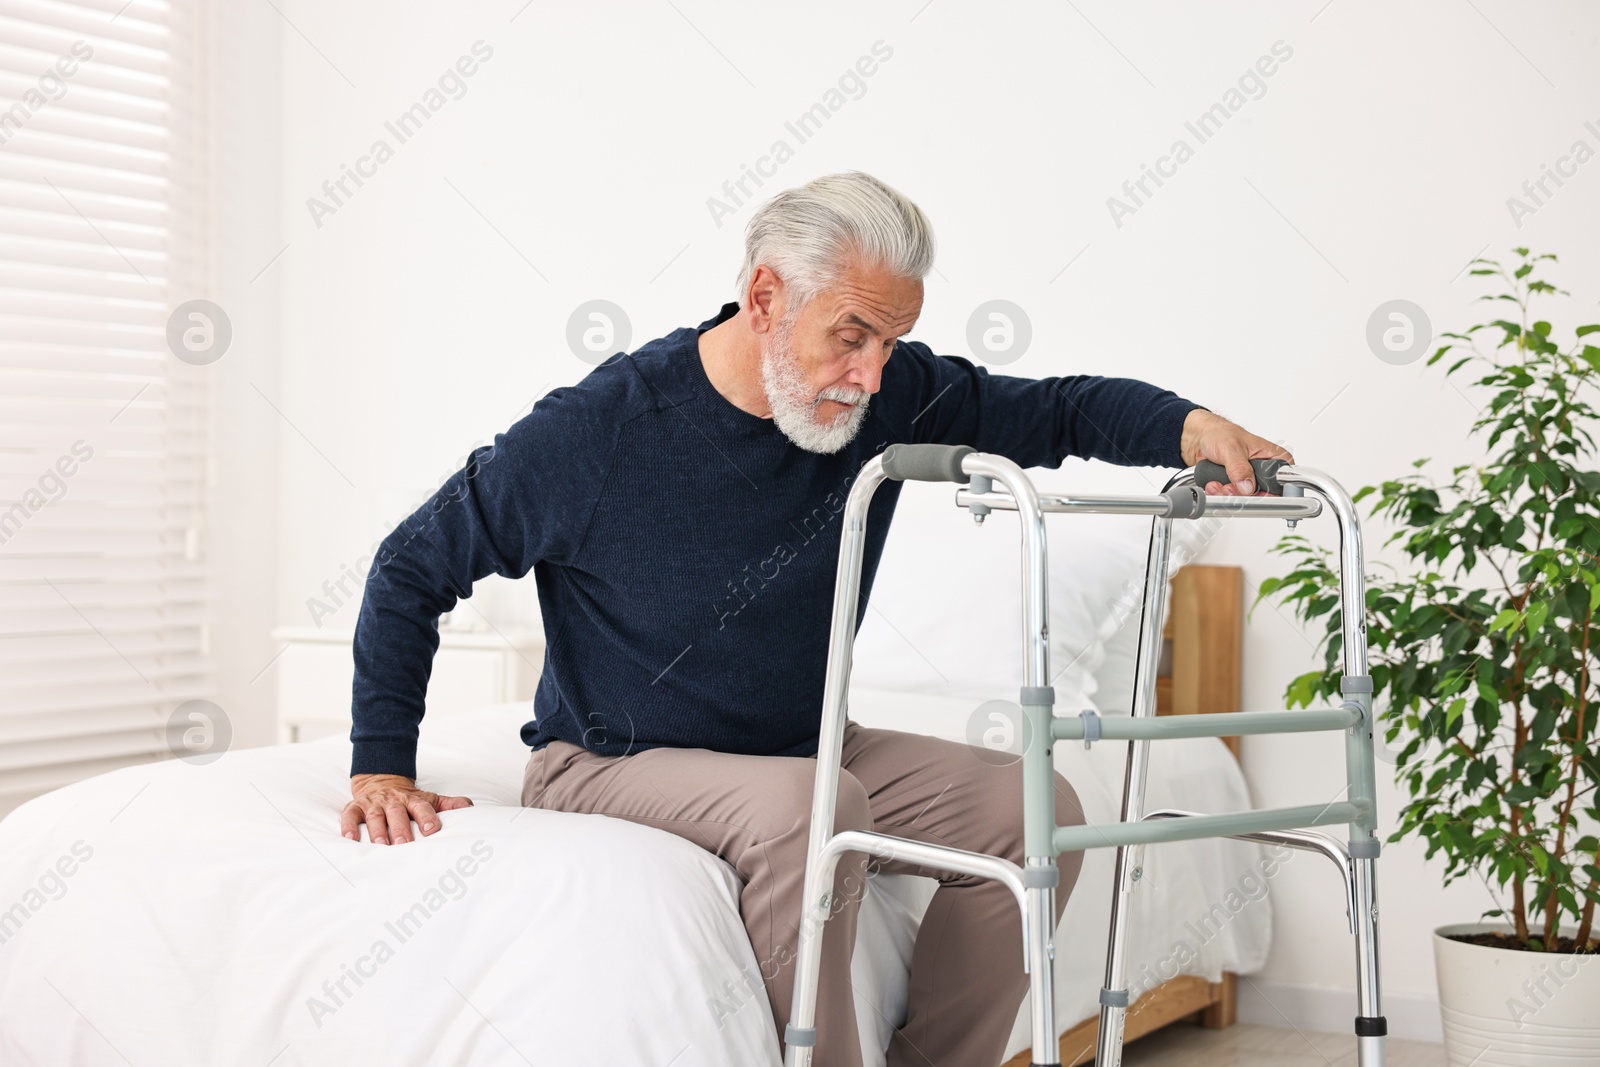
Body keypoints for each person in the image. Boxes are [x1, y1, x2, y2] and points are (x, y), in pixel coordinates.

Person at [339, 171, 1289, 1067]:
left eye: (891, 344)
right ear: (764, 298)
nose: (873, 375)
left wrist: (1187, 426)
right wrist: (381, 761)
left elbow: (1056, 411)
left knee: (1035, 809)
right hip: (608, 762)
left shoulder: (879, 394)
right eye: (853, 336)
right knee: (816, 808)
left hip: (808, 745)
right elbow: (410, 565)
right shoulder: (601, 430)